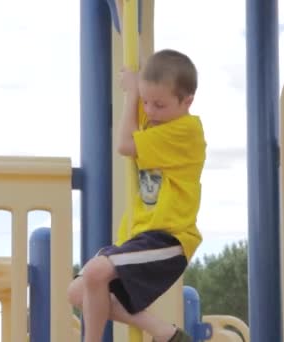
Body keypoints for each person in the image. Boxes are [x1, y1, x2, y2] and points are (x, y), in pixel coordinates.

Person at [67, 49, 206, 342]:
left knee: (94, 274)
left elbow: (125, 145)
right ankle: (164, 333)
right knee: (78, 291)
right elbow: (138, 59)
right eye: (145, 101)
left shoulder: (185, 131)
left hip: (169, 239)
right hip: (139, 236)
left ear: (187, 101)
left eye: (159, 104)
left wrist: (132, 95)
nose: (150, 111)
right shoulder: (159, 116)